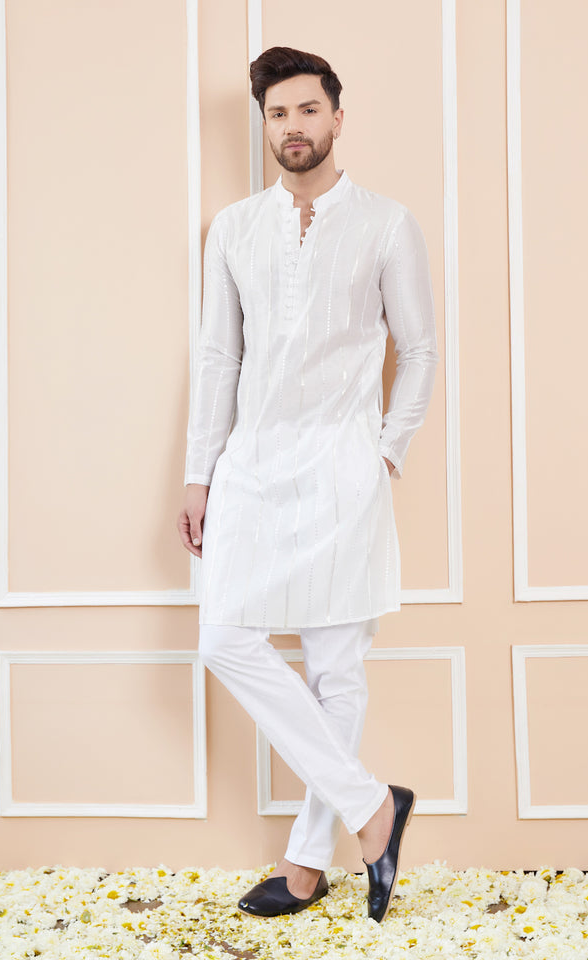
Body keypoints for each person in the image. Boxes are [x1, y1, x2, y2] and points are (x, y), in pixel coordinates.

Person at [177, 46, 438, 922]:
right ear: (266, 125)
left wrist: (387, 450)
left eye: (307, 109)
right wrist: (199, 473)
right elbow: (218, 357)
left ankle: (303, 866)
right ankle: (374, 808)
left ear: (337, 117)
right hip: (251, 465)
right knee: (224, 638)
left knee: (336, 670)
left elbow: (421, 350)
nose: (293, 127)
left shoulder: (387, 224)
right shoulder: (233, 228)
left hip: (341, 467)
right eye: (278, 114)